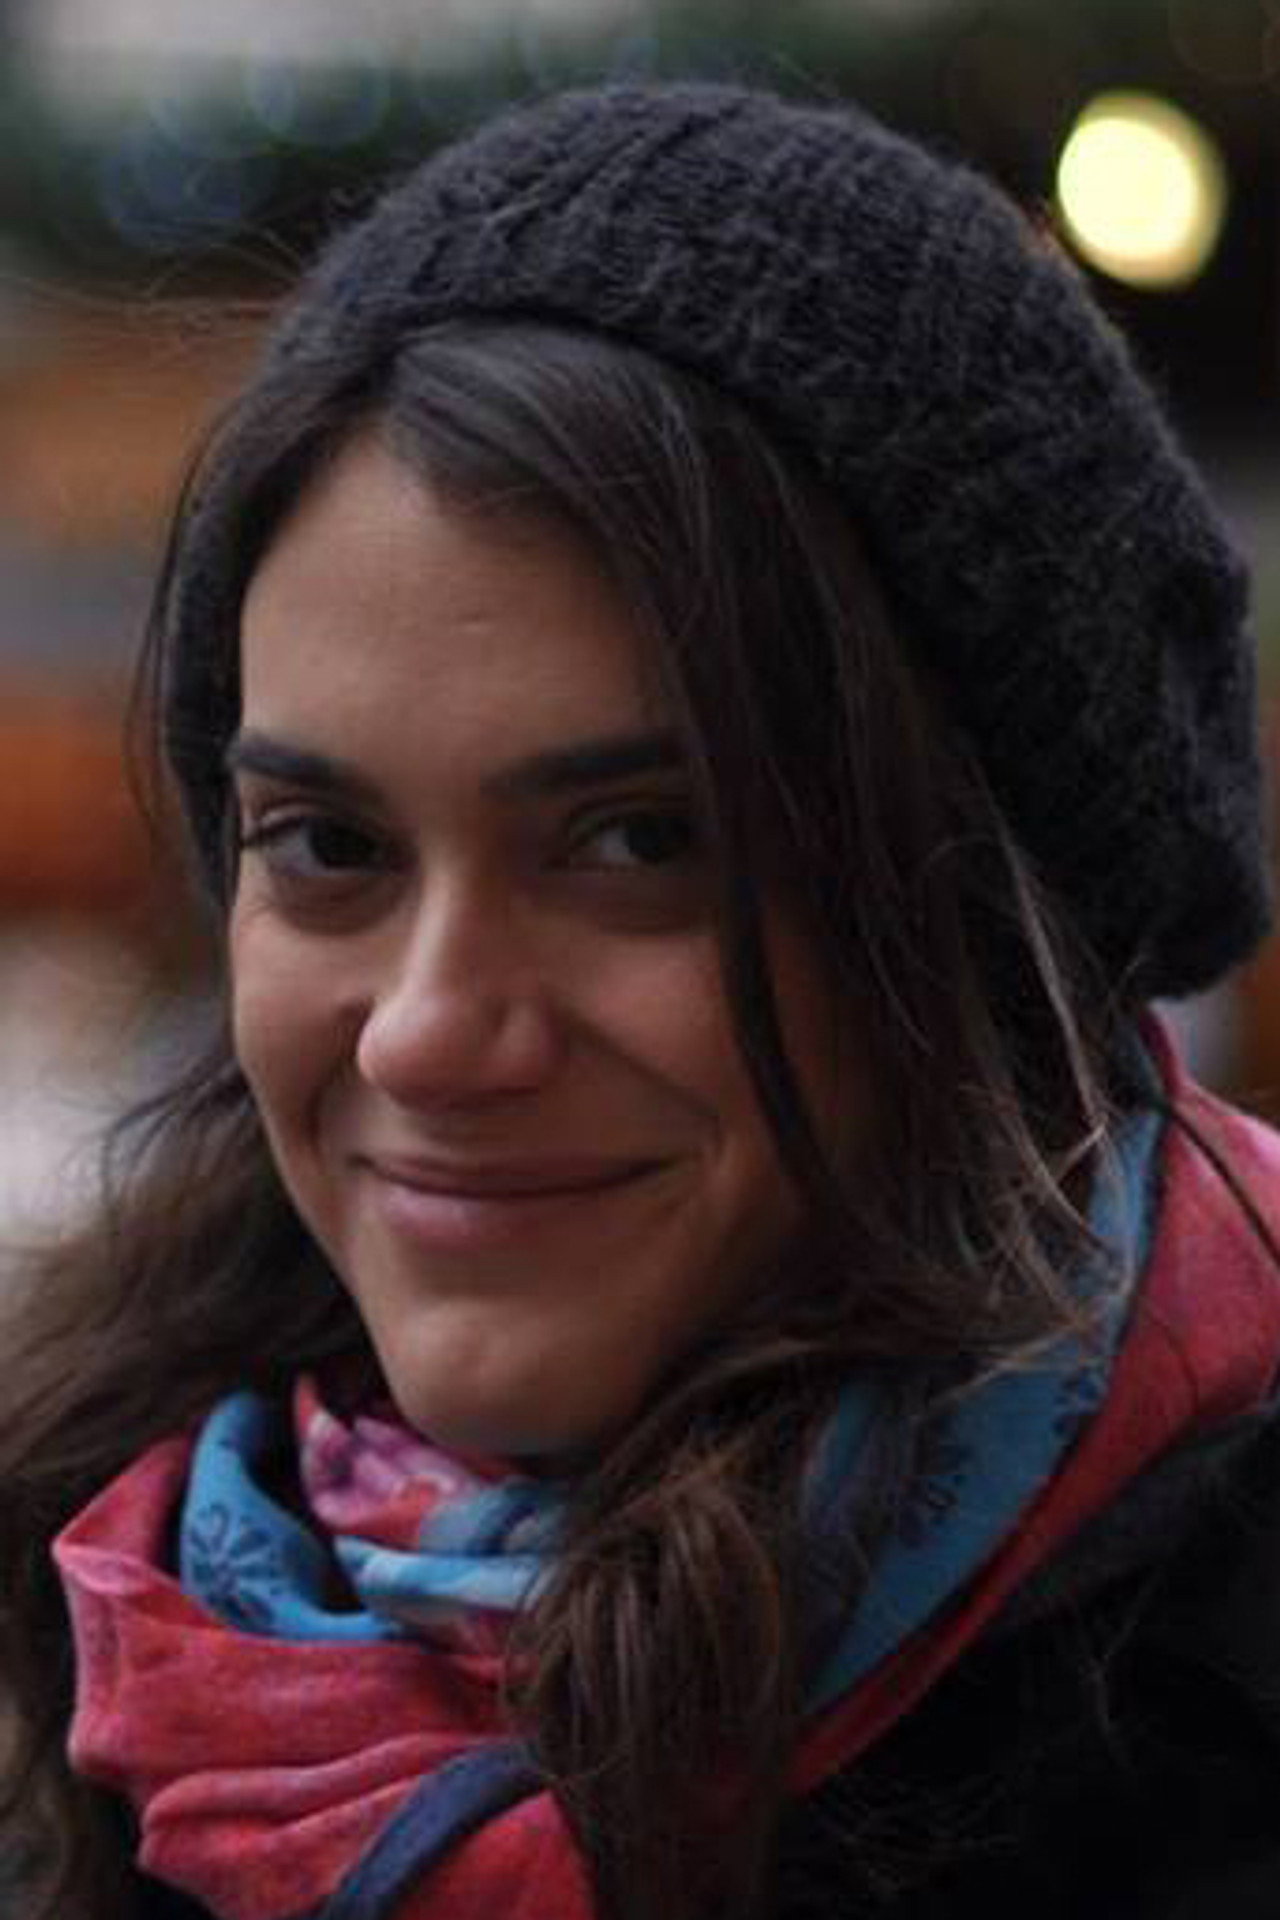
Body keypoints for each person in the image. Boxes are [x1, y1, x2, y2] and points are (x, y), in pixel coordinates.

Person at [3, 78, 1280, 1920]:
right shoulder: (120, 1620)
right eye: (329, 845)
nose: (427, 1032)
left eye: (640, 842)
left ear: (1001, 921)